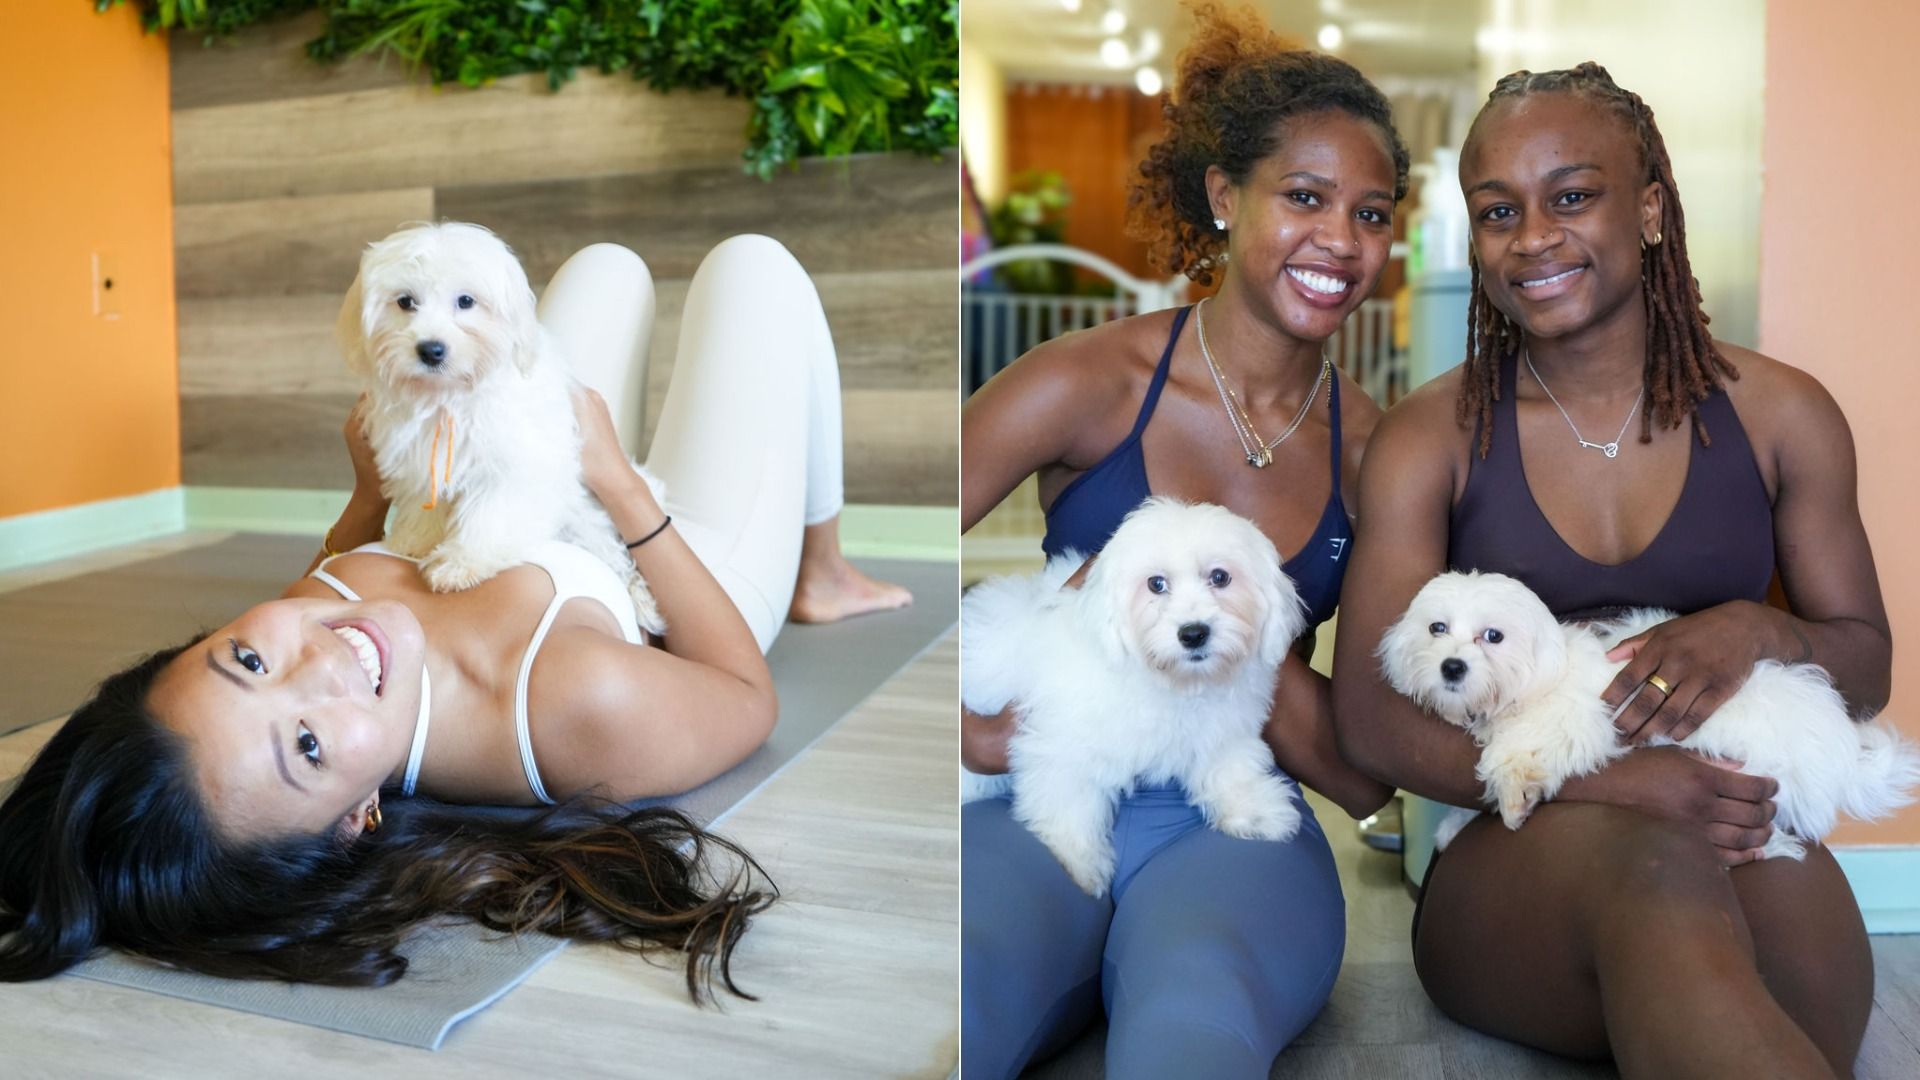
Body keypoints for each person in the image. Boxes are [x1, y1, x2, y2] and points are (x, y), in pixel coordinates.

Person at [0, 234, 912, 995]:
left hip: (538, 480)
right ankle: (818, 571)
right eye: (308, 746)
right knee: (754, 270)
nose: (321, 662)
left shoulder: (307, 619)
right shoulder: (567, 703)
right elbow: (743, 693)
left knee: (602, 265)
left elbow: (325, 582)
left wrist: (365, 498)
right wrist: (621, 485)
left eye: (242, 661)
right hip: (670, 558)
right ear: (359, 816)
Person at [1331, 63, 1891, 1078]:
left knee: (1804, 1014)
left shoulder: (1782, 415)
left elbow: (1866, 664)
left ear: (1650, 209)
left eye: (1573, 196)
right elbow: (1369, 722)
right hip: (1515, 849)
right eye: (1497, 211)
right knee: (1659, 877)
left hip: (1728, 809)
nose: (1533, 236)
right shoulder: (1431, 437)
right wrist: (1623, 782)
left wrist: (1761, 629)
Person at [959, 6, 1405, 1075]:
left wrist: (1251, 652)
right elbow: (873, 557)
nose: (1341, 241)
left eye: (1372, 212)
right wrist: (962, 725)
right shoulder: (1085, 380)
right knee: (964, 985)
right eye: (1304, 197)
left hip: (1228, 812)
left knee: (1189, 1024)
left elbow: (1364, 753)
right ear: (1223, 196)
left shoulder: (1375, 451)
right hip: (1044, 782)